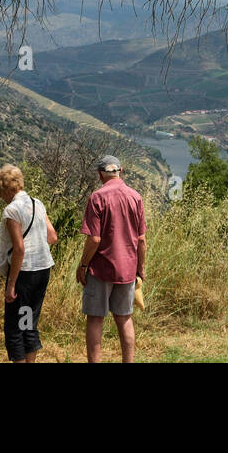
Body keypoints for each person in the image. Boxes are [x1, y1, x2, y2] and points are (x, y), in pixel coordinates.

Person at [77, 155, 146, 363]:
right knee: (125, 319)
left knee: (95, 319)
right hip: (127, 269)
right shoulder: (135, 197)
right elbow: (141, 240)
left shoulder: (97, 198)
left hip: (100, 269)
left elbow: (94, 238)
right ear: (120, 171)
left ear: (100, 175)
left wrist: (83, 264)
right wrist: (140, 269)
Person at [0, 164, 57, 363]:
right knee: (28, 322)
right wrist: (36, 242)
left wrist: (11, 285)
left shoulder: (12, 211)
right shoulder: (37, 203)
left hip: (24, 275)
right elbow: (52, 236)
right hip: (42, 270)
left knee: (14, 328)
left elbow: (19, 248)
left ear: (8, 188)